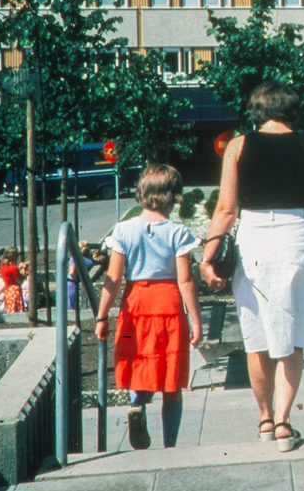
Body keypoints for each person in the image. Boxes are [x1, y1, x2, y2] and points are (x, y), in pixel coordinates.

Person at [200, 80, 304, 453]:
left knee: (257, 336)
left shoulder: (238, 146)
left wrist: (208, 257)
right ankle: (283, 422)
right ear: (291, 108)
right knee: (293, 337)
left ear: (256, 111)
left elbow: (226, 210)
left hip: (254, 241)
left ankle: (263, 417)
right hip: (297, 239)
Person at [96, 164, 203, 451]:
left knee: (138, 361)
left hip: (134, 307)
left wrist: (101, 315)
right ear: (174, 196)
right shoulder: (178, 232)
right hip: (168, 305)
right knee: (171, 377)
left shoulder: (123, 230)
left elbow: (114, 277)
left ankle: (137, 406)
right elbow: (186, 279)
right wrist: (196, 320)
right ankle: (169, 445)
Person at [0, 248, 25, 313]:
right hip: (15, 291)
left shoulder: (2, 266)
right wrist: (23, 271)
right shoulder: (14, 267)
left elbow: (10, 274)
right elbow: (20, 281)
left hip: (8, 290)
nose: (18, 256)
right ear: (12, 256)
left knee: (11, 311)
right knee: (18, 312)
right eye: (16, 254)